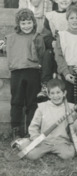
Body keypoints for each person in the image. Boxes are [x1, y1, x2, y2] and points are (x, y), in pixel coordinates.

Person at [4, 9, 45, 139]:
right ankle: (16, 131)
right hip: (17, 73)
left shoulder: (37, 37)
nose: (26, 25)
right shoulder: (11, 38)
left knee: (32, 103)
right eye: (23, 23)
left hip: (33, 72)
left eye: (29, 22)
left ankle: (30, 131)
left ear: (33, 22)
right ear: (18, 24)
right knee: (16, 102)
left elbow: (42, 54)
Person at [24, 79, 76, 160]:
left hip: (61, 142)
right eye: (52, 93)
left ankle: (58, 150)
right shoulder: (42, 107)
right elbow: (34, 126)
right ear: (48, 95)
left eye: (58, 92)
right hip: (44, 142)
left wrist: (75, 142)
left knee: (69, 155)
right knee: (32, 155)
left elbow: (74, 130)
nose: (55, 96)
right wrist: (36, 138)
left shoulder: (71, 108)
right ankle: (22, 143)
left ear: (64, 93)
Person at [38, 0, 72, 99]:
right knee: (48, 54)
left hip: (69, 47)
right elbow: (45, 34)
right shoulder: (50, 15)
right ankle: (45, 85)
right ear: (56, 0)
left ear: (71, 0)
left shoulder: (73, 14)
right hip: (55, 46)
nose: (64, 0)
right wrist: (51, 42)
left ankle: (65, 85)